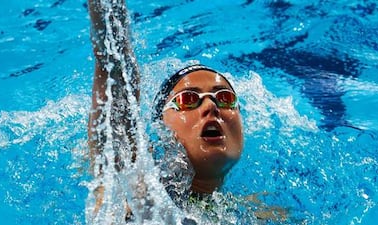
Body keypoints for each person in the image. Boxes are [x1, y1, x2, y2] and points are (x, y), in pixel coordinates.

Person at [87, 0, 287, 223]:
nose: (211, 106)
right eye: (189, 99)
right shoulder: (132, 188)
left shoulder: (258, 216)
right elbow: (114, 68)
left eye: (224, 98)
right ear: (160, 126)